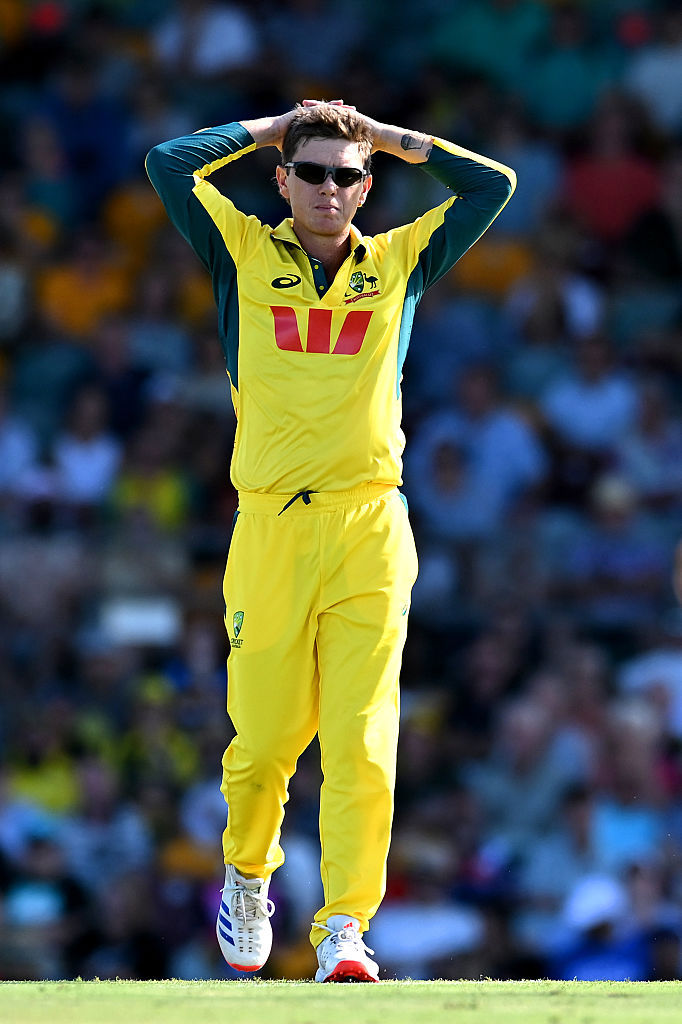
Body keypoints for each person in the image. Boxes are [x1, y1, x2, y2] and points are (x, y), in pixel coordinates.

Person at [146, 99, 515, 982]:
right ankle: (246, 873)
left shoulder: (398, 261)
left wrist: (386, 138)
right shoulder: (239, 247)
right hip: (271, 523)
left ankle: (345, 926)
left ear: (365, 186)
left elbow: (490, 186)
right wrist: (273, 126)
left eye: (346, 176)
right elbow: (168, 163)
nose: (328, 189)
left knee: (361, 737)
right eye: (310, 172)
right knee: (267, 739)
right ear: (282, 180)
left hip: (369, 523)